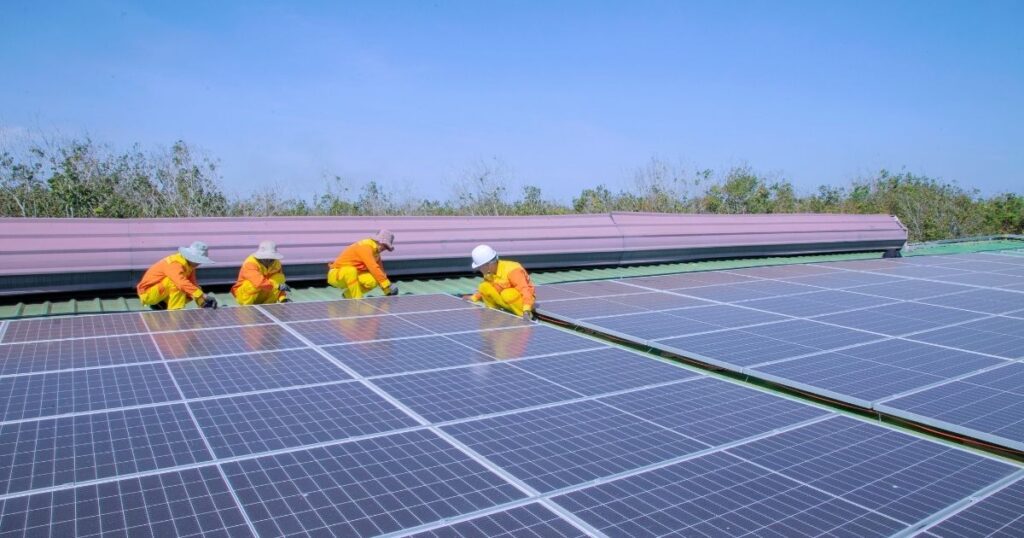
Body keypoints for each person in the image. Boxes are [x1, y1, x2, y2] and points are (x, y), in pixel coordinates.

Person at [137, 241, 217, 310]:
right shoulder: (174, 263)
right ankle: (175, 313)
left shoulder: (190, 266)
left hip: (161, 294)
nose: (199, 263)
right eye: (198, 260)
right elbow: (181, 283)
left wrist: (203, 301)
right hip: (147, 294)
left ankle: (163, 305)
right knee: (178, 283)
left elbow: (193, 285)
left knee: (194, 289)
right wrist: (203, 295)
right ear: (191, 257)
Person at [466, 244, 536, 320]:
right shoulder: (489, 273)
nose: (479, 269)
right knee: (483, 286)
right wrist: (474, 297)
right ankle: (495, 314)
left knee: (507, 293)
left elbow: (525, 290)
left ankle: (525, 317)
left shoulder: (513, 270)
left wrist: (526, 309)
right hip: (506, 301)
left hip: (524, 302)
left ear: (488, 265)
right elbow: (487, 288)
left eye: (480, 267)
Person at [327, 230, 398, 299]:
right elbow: (373, 267)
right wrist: (387, 284)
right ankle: (358, 300)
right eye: (385, 245)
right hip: (335, 275)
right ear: (378, 241)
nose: (385, 249)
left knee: (372, 281)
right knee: (350, 270)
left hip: (354, 276)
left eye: (387, 247)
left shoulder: (376, 253)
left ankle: (347, 295)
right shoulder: (365, 247)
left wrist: (387, 290)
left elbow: (380, 272)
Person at [231, 241, 291, 305]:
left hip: (263, 294)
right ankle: (248, 307)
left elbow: (279, 283)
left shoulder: (277, 263)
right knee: (252, 284)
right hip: (243, 296)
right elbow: (259, 282)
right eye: (266, 258)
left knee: (279, 278)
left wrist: (283, 298)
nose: (269, 261)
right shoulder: (250, 263)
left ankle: (268, 306)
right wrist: (278, 286)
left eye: (271, 259)